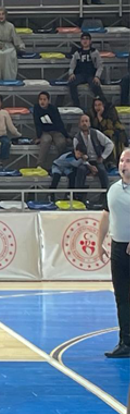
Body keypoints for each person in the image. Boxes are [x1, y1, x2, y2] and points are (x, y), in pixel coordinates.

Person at [97, 148, 130, 358]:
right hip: (118, 248)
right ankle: (125, 341)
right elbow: (105, 215)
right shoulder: (113, 189)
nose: (123, 163)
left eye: (128, 160)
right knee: (122, 297)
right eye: (121, 160)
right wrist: (98, 242)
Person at [74, 113, 114, 202]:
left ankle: (106, 197)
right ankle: (78, 197)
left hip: (97, 160)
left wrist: (103, 157)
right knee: (81, 170)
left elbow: (110, 144)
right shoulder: (76, 138)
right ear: (79, 124)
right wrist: (90, 166)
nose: (84, 123)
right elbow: (78, 156)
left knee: (102, 170)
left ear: (89, 123)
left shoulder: (96, 133)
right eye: (82, 121)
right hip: (84, 162)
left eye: (86, 121)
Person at [33, 91, 70, 169]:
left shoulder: (53, 109)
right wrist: (39, 136)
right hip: (44, 132)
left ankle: (63, 163)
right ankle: (40, 164)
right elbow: (37, 124)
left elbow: (59, 122)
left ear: (48, 101)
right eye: (40, 99)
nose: (42, 101)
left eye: (44, 99)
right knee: (46, 140)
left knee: (61, 142)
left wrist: (66, 136)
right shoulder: (36, 108)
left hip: (56, 131)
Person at [68, 32, 104, 108]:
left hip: (91, 75)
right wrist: (71, 73)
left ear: (90, 41)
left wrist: (97, 76)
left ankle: (103, 103)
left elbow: (100, 66)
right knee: (71, 83)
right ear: (80, 41)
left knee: (95, 85)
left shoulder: (95, 52)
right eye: (83, 39)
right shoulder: (77, 53)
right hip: (80, 75)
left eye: (87, 39)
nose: (85, 41)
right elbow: (72, 65)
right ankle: (76, 105)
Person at [0, 8, 24, 81]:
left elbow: (15, 38)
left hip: (9, 46)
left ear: (6, 15)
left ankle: (8, 79)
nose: (1, 16)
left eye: (3, 14)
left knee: (8, 53)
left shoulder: (11, 26)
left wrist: (20, 46)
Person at [91, 97, 127, 166]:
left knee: (118, 135)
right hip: (98, 137)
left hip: (113, 134)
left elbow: (113, 125)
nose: (97, 107)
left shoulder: (111, 113)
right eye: (96, 105)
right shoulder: (91, 115)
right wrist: (99, 117)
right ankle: (111, 161)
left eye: (99, 105)